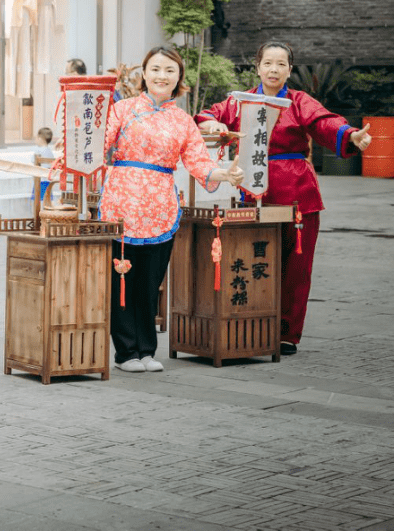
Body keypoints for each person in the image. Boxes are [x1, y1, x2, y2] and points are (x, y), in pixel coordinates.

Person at [196, 41, 372, 356]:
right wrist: (212, 122)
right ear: (258, 66)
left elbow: (323, 122)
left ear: (289, 70)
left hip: (296, 193)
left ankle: (287, 332)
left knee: (296, 265)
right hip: (253, 191)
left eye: (281, 64)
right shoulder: (241, 101)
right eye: (268, 63)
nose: (274, 70)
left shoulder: (298, 101)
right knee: (253, 260)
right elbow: (209, 114)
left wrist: (349, 134)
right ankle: (250, 324)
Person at [99, 46, 244, 373]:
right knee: (123, 280)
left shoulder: (182, 120)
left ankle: (147, 350)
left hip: (161, 206)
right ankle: (125, 353)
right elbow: (97, 144)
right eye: (155, 69)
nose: (161, 76)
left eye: (169, 71)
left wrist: (224, 174)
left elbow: (198, 161)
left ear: (179, 78)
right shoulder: (122, 110)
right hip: (122, 203)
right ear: (144, 73)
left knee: (151, 283)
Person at [33, 126, 55, 201]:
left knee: (38, 200)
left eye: (36, 137)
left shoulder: (38, 151)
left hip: (40, 179)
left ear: (40, 138)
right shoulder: (49, 152)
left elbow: (34, 162)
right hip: (48, 179)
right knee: (47, 200)